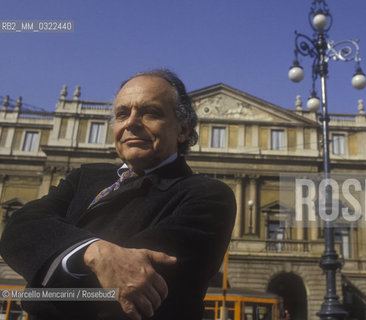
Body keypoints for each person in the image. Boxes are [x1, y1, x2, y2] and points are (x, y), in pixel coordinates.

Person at [0, 69, 236, 320]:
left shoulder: (208, 196)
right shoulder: (84, 177)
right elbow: (16, 230)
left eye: (150, 113)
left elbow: (132, 285)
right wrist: (92, 252)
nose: (131, 123)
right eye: (122, 114)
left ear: (183, 130)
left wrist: (46, 269)